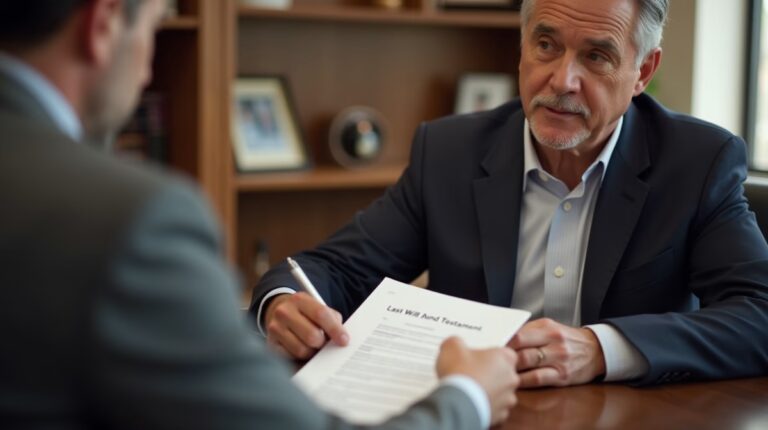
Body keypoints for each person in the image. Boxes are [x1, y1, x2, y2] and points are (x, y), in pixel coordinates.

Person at [0, 0, 520, 428]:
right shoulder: (131, 221)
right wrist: (466, 397)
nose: (147, 68)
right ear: (104, 23)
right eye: (155, 28)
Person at [253, 0, 768, 388]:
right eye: (546, 45)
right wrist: (285, 304)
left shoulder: (698, 162)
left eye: (596, 56)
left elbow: (759, 315)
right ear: (521, 48)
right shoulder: (449, 153)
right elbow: (334, 270)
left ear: (643, 72)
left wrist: (602, 348)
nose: (563, 79)